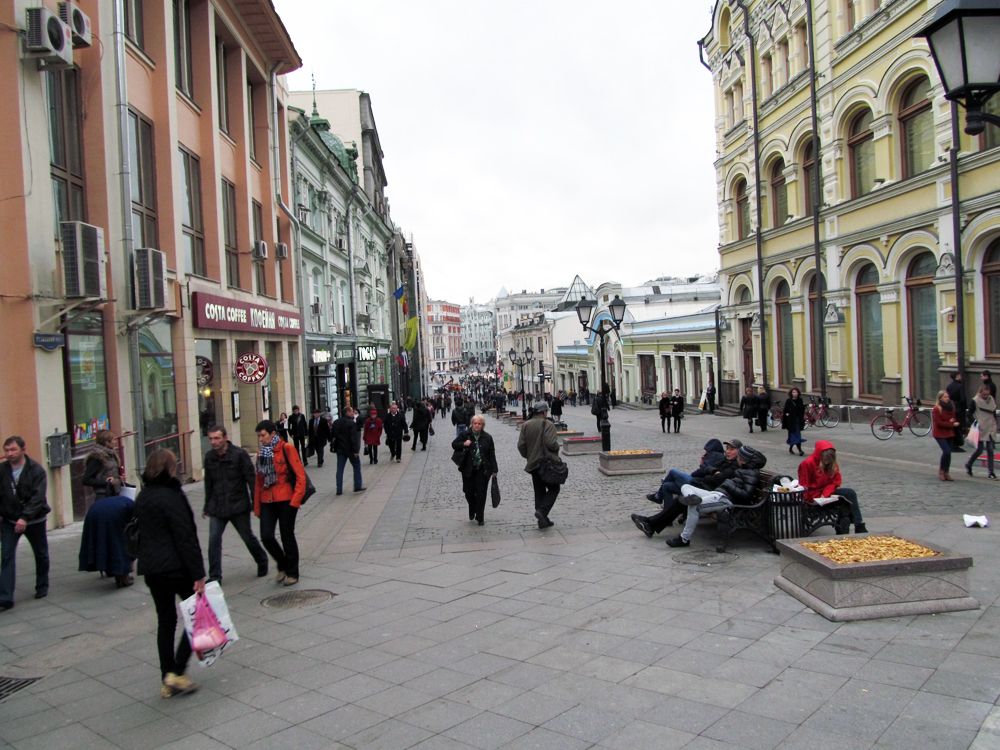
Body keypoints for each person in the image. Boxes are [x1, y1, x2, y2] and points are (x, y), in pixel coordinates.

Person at [134, 448, 206, 698]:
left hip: (153, 569)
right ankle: (177, 671)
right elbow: (185, 536)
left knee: (165, 621)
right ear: (169, 468)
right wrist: (198, 573)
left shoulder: (143, 496)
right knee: (196, 617)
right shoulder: (172, 496)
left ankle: (167, 678)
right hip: (176, 567)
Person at [666, 444, 767, 548]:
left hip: (724, 499)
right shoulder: (744, 471)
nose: (737, 458)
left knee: (694, 507)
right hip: (717, 494)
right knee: (686, 486)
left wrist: (729, 484)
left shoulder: (751, 474)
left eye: (738, 457)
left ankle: (684, 539)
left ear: (743, 460)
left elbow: (746, 495)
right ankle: (691, 497)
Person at [202, 425, 268, 582]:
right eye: (211, 438)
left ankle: (261, 559)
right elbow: (208, 483)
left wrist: (255, 503)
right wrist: (206, 505)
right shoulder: (209, 457)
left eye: (217, 438)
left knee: (247, 537)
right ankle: (215, 576)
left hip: (238, 505)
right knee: (213, 540)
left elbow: (251, 480)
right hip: (217, 506)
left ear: (225, 438)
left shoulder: (239, 455)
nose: (213, 442)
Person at [632, 439, 733, 537]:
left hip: (704, 488)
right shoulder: (725, 461)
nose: (727, 451)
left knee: (674, 474)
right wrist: (708, 468)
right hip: (701, 485)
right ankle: (654, 522)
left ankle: (653, 516)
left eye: (731, 449)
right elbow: (708, 470)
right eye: (727, 448)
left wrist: (707, 470)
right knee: (667, 486)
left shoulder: (725, 461)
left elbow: (713, 476)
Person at [0, 436, 50, 610]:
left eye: (13, 450)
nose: (9, 454)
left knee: (40, 553)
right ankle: (5, 596)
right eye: (6, 450)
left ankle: (42, 585)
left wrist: (25, 517)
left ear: (23, 449)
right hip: (9, 519)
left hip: (34, 519)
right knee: (6, 555)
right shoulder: (2, 470)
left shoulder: (36, 470)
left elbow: (38, 497)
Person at [254, 420, 306, 586]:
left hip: (286, 499)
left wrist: (295, 501)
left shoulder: (286, 448)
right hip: (267, 499)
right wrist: (256, 506)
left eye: (263, 435)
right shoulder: (261, 453)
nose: (261, 439)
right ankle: (282, 563)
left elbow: (300, 475)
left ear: (272, 434)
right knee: (266, 536)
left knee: (287, 535)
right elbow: (258, 482)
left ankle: (292, 572)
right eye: (259, 436)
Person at [798, 439, 867, 534]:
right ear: (820, 455)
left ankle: (859, 525)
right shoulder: (807, 463)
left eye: (829, 460)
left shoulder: (831, 464)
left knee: (849, 493)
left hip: (825, 493)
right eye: (825, 460)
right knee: (844, 504)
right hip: (813, 495)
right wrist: (811, 499)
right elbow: (804, 485)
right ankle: (846, 525)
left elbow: (835, 482)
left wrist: (825, 494)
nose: (827, 462)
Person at [518, 400, 562, 529]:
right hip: (546, 463)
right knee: (554, 488)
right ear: (543, 412)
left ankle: (542, 520)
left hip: (533, 463)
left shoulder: (526, 425)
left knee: (539, 491)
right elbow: (551, 443)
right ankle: (542, 512)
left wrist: (529, 456)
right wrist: (556, 447)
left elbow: (521, 446)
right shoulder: (548, 424)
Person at [451, 415, 499, 526]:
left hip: (483, 470)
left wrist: (494, 469)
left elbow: (492, 454)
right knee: (468, 492)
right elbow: (454, 444)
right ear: (471, 424)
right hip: (468, 469)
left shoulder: (488, 437)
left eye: (479, 424)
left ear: (482, 425)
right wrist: (464, 444)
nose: (477, 425)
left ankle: (480, 516)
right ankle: (472, 508)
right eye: (475, 423)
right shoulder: (465, 435)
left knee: (481, 493)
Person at [965, 384, 997, 479]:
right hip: (980, 428)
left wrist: (995, 424)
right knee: (979, 450)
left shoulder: (991, 400)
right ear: (980, 392)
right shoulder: (975, 401)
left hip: (990, 427)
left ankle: (991, 472)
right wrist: (975, 423)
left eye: (987, 394)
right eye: (984, 395)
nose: (986, 396)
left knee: (990, 450)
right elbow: (969, 413)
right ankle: (969, 464)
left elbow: (994, 412)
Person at [82, 430, 123, 500]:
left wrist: (118, 479)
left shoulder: (112, 454)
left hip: (114, 492)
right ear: (106, 442)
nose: (115, 442)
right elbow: (86, 479)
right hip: (103, 495)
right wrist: (106, 481)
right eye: (113, 440)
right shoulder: (97, 457)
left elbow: (112, 472)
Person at [332, 407, 364, 494]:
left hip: (340, 449)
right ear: (347, 412)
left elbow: (333, 435)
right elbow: (353, 438)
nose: (353, 413)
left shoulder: (336, 422)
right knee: (356, 466)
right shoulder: (351, 423)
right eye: (351, 411)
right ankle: (357, 486)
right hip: (350, 450)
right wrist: (356, 450)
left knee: (340, 469)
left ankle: (339, 489)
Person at [932, 390, 960, 482]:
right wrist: (951, 423)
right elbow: (938, 423)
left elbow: (953, 417)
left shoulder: (951, 406)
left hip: (949, 433)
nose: (947, 398)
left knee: (948, 453)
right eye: (945, 397)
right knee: (946, 451)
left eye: (948, 397)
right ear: (940, 398)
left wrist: (953, 421)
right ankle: (941, 471)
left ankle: (947, 472)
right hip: (939, 433)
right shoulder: (937, 408)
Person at [946, 372, 968, 452]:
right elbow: (963, 399)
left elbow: (947, 397)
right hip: (959, 408)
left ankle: (952, 443)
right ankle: (956, 444)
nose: (961, 377)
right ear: (956, 377)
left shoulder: (949, 386)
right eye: (959, 375)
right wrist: (965, 407)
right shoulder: (960, 386)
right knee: (958, 426)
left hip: (951, 408)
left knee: (953, 426)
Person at [782, 388, 806, 456]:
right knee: (793, 436)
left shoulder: (800, 400)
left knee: (797, 435)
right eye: (793, 392)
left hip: (798, 420)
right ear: (791, 393)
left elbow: (802, 410)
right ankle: (800, 450)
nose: (794, 393)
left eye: (796, 392)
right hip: (791, 421)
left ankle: (795, 449)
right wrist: (787, 416)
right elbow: (785, 411)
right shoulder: (788, 401)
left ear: (798, 393)